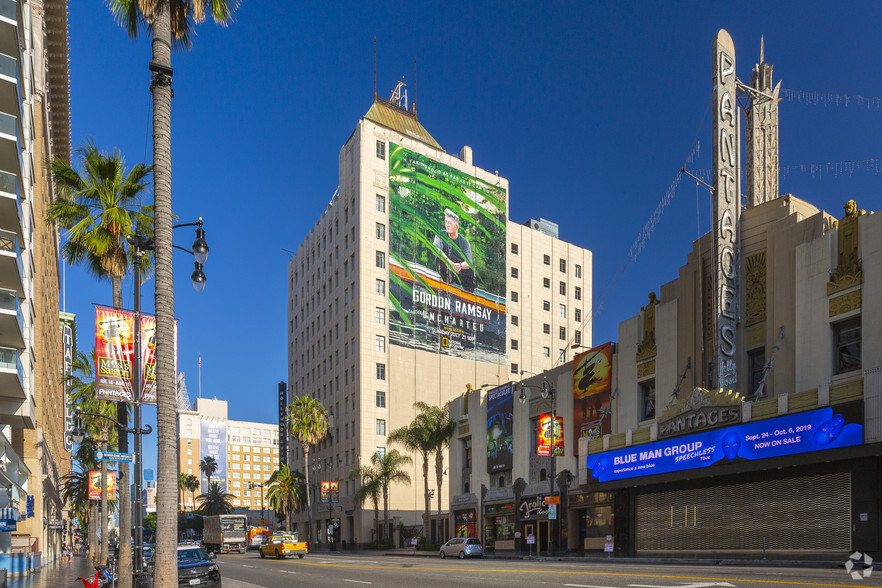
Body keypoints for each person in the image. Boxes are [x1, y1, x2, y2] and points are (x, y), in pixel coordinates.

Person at [433, 208, 476, 292]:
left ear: (456, 226)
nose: (447, 225)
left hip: (459, 271)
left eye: (449, 223)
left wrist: (459, 266)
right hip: (446, 268)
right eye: (446, 222)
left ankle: (466, 295)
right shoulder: (441, 235)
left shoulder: (464, 242)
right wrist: (448, 262)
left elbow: (469, 262)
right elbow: (436, 249)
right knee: (439, 260)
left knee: (471, 273)